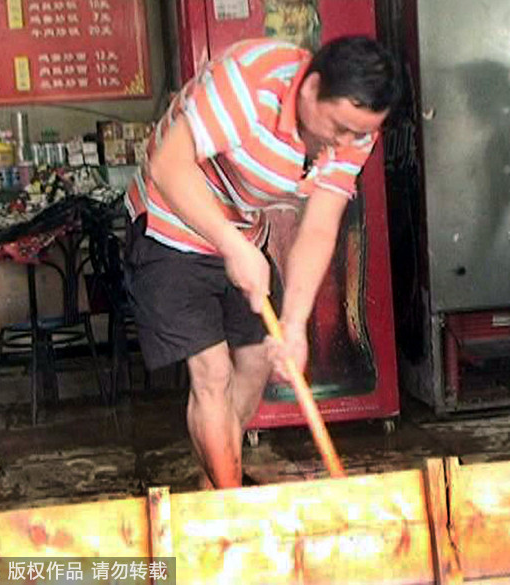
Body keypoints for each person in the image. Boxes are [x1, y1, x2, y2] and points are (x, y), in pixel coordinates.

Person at [124, 36, 399, 487]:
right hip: (170, 222)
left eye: (360, 134)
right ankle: (232, 507)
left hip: (244, 233)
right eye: (340, 128)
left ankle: (215, 482)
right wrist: (232, 248)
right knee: (212, 373)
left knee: (254, 366)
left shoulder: (357, 129)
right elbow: (168, 166)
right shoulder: (250, 82)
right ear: (310, 90)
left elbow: (319, 225)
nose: (347, 142)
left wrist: (294, 323)